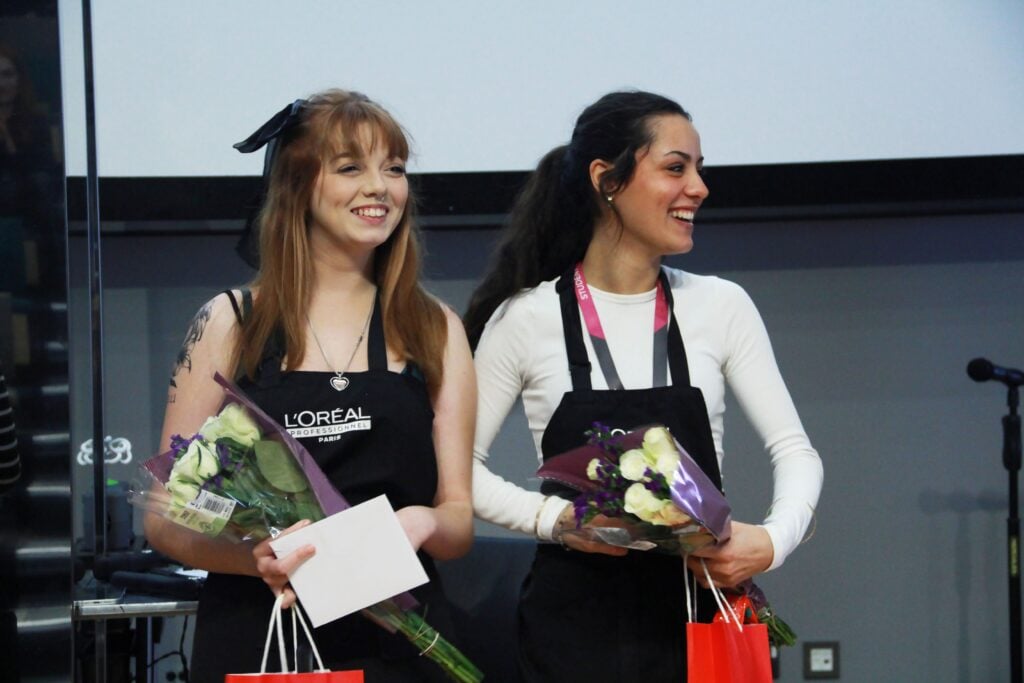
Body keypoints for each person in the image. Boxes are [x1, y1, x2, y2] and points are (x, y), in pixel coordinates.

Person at [463, 90, 823, 681]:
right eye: (676, 167)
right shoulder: (526, 318)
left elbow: (796, 451)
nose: (699, 188)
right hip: (572, 631)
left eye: (699, 169)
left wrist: (774, 540)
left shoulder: (721, 305)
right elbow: (459, 471)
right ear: (607, 179)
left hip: (701, 614)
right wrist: (557, 522)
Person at [144, 89, 476, 682]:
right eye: (351, 168)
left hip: (404, 645)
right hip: (264, 639)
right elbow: (166, 515)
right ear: (298, 186)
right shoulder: (231, 321)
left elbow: (458, 521)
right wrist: (257, 558)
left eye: (393, 169)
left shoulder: (433, 326)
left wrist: (422, 522)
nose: (379, 187)